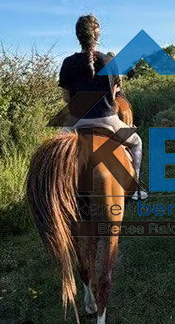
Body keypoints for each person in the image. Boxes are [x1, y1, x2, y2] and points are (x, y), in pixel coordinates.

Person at [58, 14, 147, 200]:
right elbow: (114, 96)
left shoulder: (67, 63)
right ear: (98, 36)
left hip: (75, 123)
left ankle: (57, 191)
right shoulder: (110, 62)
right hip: (108, 121)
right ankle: (135, 188)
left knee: (56, 154)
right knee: (137, 142)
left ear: (78, 36)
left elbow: (66, 98)